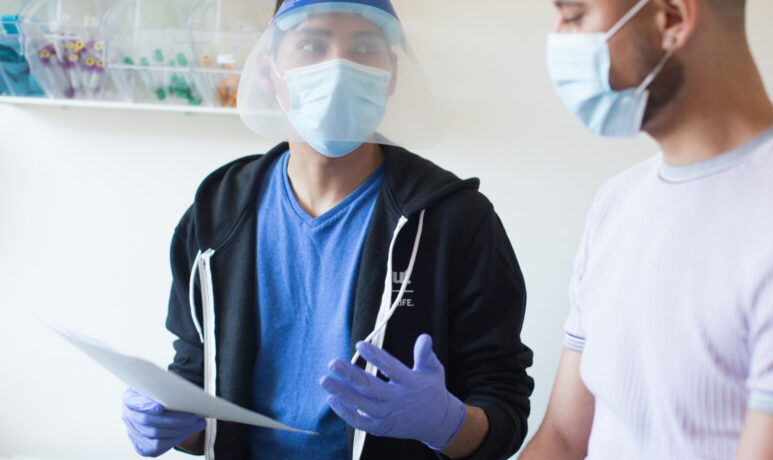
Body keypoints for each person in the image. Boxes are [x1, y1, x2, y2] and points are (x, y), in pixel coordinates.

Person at [119, 1, 533, 459]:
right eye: (313, 44)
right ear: (266, 69)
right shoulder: (218, 210)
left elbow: (504, 414)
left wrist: (446, 423)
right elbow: (202, 397)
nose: (339, 67)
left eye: (363, 47)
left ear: (391, 74)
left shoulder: (455, 220)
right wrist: (170, 421)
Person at [520, 0, 773, 459]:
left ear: (673, 18)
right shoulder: (616, 203)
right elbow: (562, 437)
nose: (558, 38)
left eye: (575, 15)